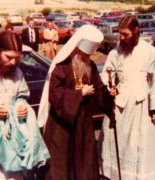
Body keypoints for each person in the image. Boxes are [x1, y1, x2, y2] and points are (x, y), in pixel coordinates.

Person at [37, 24, 117, 180]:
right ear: (75, 49)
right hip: (62, 125)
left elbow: (98, 87)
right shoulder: (61, 66)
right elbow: (55, 94)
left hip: (83, 124)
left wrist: (108, 94)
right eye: (83, 55)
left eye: (88, 56)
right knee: (63, 164)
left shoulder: (90, 66)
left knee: (84, 164)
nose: (86, 59)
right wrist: (80, 93)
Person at [0, 31, 49, 180]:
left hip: (14, 138)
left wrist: (21, 106)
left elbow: (22, 96)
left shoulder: (17, 73)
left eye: (17, 58)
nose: (13, 62)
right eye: (9, 57)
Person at [98, 16, 155, 180]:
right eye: (120, 34)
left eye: (125, 34)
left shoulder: (150, 52)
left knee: (137, 144)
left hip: (140, 107)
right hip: (120, 106)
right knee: (115, 144)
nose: (122, 38)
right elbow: (105, 77)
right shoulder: (115, 52)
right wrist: (109, 90)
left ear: (136, 32)